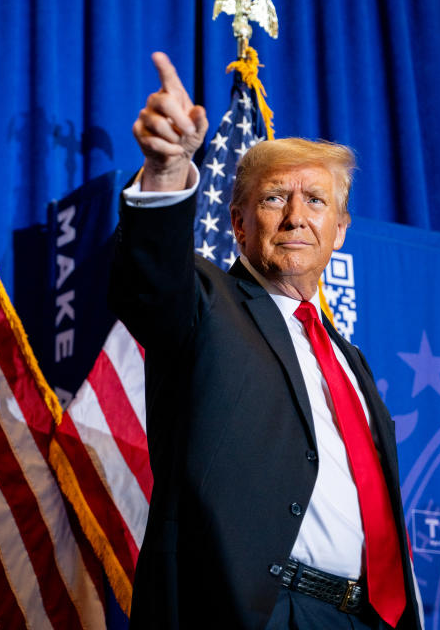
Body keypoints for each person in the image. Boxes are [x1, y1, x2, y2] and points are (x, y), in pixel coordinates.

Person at [109, 52, 423, 629]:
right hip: (258, 612)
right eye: (276, 197)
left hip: (370, 616)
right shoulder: (207, 303)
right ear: (238, 223)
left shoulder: (351, 362)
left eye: (317, 201)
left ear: (340, 231)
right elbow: (149, 282)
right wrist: (167, 172)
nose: (297, 217)